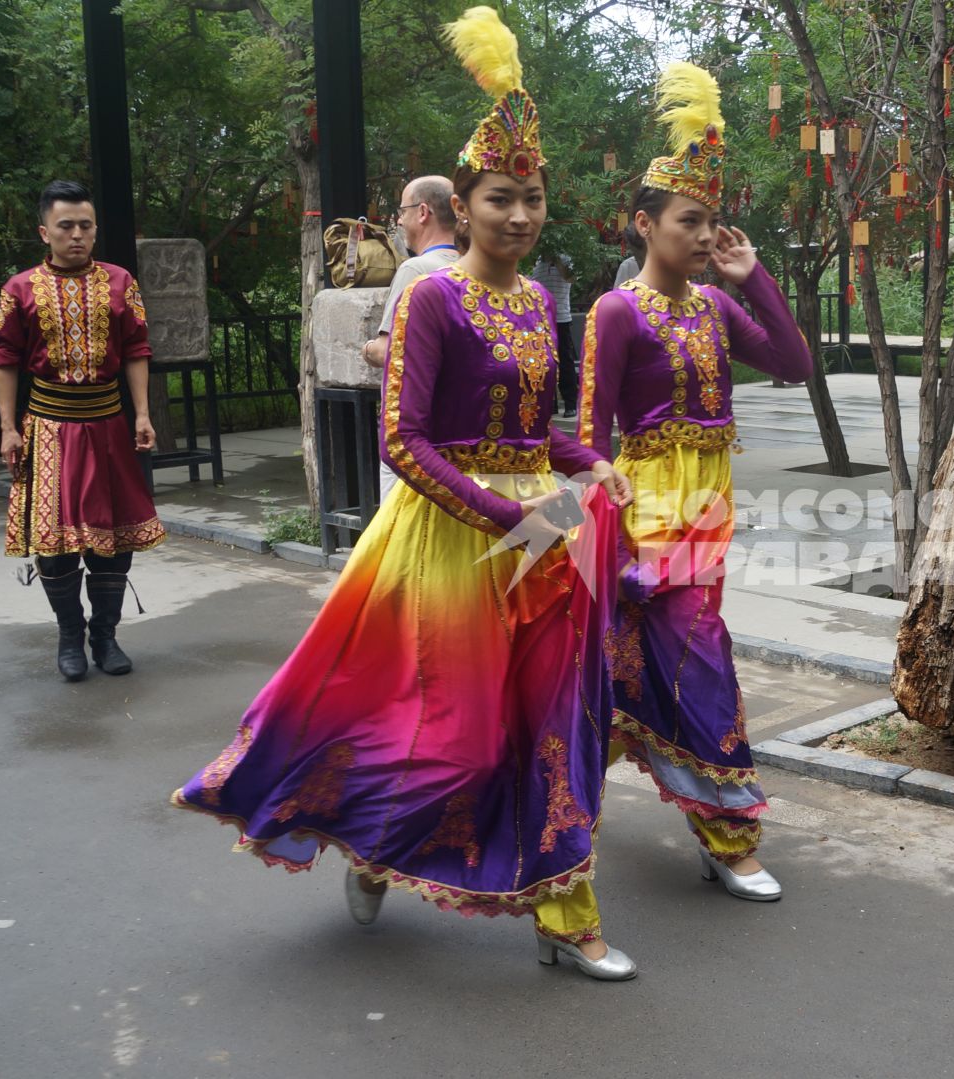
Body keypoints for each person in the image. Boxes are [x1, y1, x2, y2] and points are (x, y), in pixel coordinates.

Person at [173, 6, 640, 981]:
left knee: (557, 723)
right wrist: (512, 513)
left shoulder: (535, 298)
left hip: (544, 535)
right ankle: (372, 836)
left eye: (534, 201)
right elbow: (404, 437)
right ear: (462, 205)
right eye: (503, 198)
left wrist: (582, 463)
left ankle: (568, 915)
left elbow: (530, 428)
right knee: (452, 743)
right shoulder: (432, 295)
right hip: (451, 535)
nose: (520, 216)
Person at [579, 62, 812, 903]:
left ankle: (561, 805)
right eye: (689, 220)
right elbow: (588, 429)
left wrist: (752, 278)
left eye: (712, 220)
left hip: (706, 509)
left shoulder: (715, 307)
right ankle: (726, 834)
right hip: (644, 511)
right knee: (692, 660)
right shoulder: (618, 313)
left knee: (635, 667)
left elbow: (792, 364)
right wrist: (600, 519)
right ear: (644, 224)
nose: (705, 234)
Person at [0, 181, 165, 680]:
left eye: (85, 226)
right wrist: (8, 428)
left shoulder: (119, 282)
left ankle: (105, 636)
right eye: (65, 226)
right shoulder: (19, 289)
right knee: (55, 541)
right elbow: (4, 360)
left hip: (108, 424)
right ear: (44, 231)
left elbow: (136, 349)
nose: (76, 235)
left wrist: (143, 414)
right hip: (47, 428)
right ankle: (70, 634)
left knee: (114, 535)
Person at [363, 175, 460, 498]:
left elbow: (390, 349)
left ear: (422, 212)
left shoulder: (416, 270)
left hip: (413, 431)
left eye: (402, 211)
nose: (400, 221)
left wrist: (367, 348)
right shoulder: (473, 269)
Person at [530, 251, 579, 417]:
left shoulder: (565, 259)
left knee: (565, 361)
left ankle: (571, 403)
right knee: (545, 362)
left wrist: (556, 260)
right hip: (540, 320)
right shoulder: (537, 261)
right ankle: (550, 403)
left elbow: (572, 278)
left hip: (561, 318)